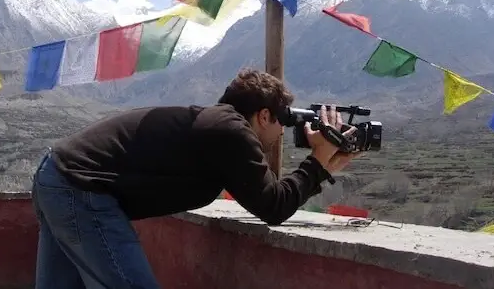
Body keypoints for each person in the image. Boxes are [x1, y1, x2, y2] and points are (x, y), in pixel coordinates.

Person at [31, 68, 363, 289]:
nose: (281, 133)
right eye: (282, 123)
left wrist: (324, 165)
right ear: (263, 115)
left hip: (57, 176)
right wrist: (318, 158)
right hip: (79, 188)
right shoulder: (230, 130)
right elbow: (273, 206)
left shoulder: (215, 125)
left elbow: (263, 193)